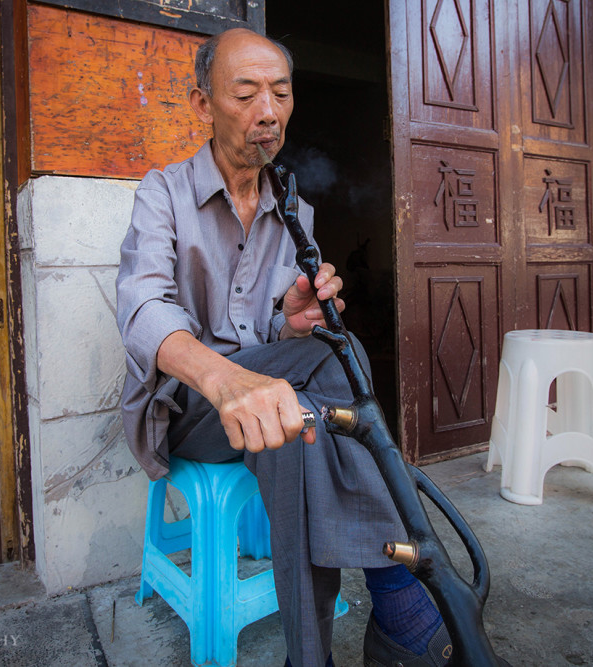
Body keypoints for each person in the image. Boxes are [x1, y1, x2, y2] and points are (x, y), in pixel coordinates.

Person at [116, 28, 450, 667]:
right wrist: (223, 380)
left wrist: (293, 324)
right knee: (321, 376)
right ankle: (399, 598)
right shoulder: (162, 192)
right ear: (202, 104)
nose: (267, 112)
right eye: (245, 94)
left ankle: (314, 655)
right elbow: (141, 309)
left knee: (311, 396)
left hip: (268, 397)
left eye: (280, 94)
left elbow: (266, 338)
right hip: (191, 408)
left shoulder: (294, 211)